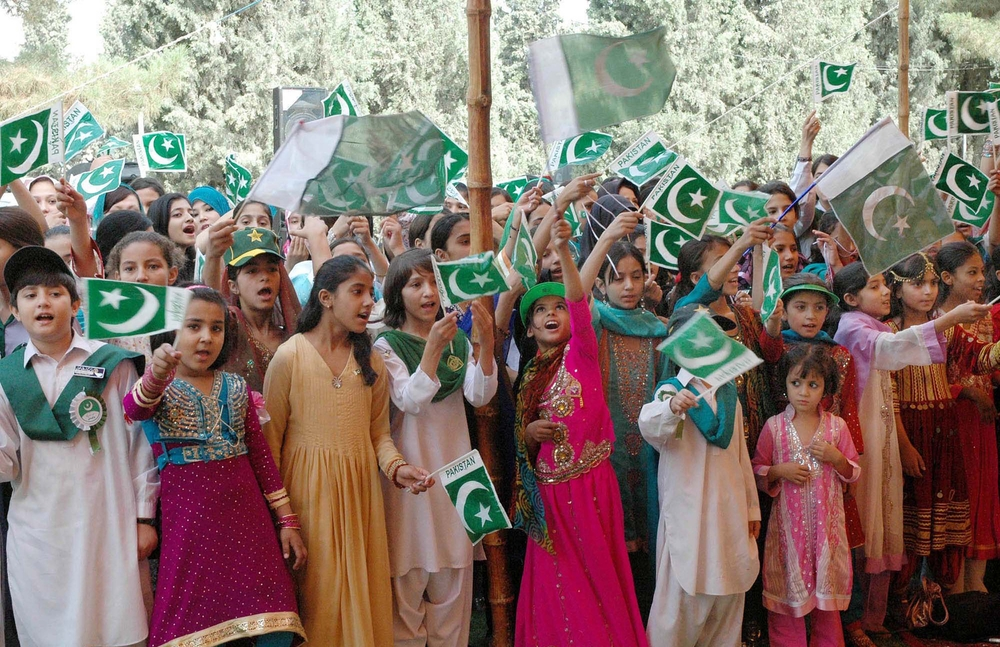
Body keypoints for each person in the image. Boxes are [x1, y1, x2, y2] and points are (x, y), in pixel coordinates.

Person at [123, 287, 306, 646]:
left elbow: (261, 458)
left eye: (217, 328)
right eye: (193, 326)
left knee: (265, 614)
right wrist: (158, 374)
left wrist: (287, 520)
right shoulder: (158, 387)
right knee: (193, 617)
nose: (206, 337)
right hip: (191, 525)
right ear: (169, 332)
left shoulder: (237, 386)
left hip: (249, 522)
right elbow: (135, 409)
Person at [264, 255, 432, 647]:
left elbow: (378, 435)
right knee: (320, 600)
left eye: (371, 292)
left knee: (364, 596)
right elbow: (270, 450)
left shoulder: (370, 358)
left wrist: (397, 469)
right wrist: (286, 519)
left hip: (361, 496)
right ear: (325, 297)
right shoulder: (290, 356)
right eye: (357, 292)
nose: (369, 302)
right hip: (308, 499)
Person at [0, 246, 158, 646]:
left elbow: (139, 444)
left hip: (109, 524)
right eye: (30, 294)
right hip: (40, 533)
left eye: (54, 293)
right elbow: (4, 464)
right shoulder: (6, 378)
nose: (43, 302)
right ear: (15, 312)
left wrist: (143, 517)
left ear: (75, 304)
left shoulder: (115, 365)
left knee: (119, 628)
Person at [831, 262, 988, 639]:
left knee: (884, 520)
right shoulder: (853, 326)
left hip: (881, 433)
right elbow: (892, 349)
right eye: (875, 286)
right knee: (866, 525)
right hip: (863, 437)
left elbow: (911, 354)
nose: (885, 291)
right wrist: (948, 319)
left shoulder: (878, 325)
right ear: (851, 299)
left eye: (886, 284)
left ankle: (875, 617)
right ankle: (854, 621)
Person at [511, 215, 647, 647]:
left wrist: (567, 251)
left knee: (596, 579)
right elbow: (520, 440)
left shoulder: (583, 351)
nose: (552, 314)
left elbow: (576, 295)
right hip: (548, 497)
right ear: (530, 328)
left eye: (557, 309)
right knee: (556, 584)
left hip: (591, 489)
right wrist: (530, 431)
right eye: (540, 311)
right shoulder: (530, 373)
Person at [375, 248, 498, 647]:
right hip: (408, 482)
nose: (428, 292)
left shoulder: (458, 343)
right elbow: (409, 402)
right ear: (397, 294)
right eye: (415, 284)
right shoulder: (385, 345)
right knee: (405, 592)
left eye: (433, 282)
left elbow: (479, 396)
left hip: (457, 478)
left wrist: (486, 345)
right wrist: (430, 351)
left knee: (453, 589)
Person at [638, 303, 761, 647]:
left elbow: (740, 456)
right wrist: (672, 407)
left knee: (728, 593)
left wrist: (752, 508)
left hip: (729, 512)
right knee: (679, 600)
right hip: (687, 515)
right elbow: (650, 425)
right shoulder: (670, 390)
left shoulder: (729, 394)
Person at [580, 219, 668, 618]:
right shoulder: (596, 323)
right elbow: (575, 296)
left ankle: (649, 619)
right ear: (602, 285)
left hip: (653, 451)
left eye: (636, 276)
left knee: (653, 535)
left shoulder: (659, 330)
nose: (629, 286)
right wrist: (608, 239)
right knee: (613, 537)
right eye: (618, 279)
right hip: (606, 450)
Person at [753, 344, 860, 646]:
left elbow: (853, 472)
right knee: (789, 595)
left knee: (826, 603)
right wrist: (778, 471)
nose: (803, 392)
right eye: (795, 383)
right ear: (784, 384)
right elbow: (757, 468)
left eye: (813, 384)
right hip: (789, 536)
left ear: (826, 387)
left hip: (826, 533)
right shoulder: (774, 428)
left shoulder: (837, 428)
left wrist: (836, 457)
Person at [938, 241, 1000, 593]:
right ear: (947, 277)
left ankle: (976, 589)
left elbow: (983, 362)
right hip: (952, 422)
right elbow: (936, 378)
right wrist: (971, 392)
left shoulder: (982, 317)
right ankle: (951, 589)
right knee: (958, 496)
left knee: (983, 495)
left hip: (982, 420)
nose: (981, 279)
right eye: (971, 272)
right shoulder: (936, 321)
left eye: (982, 272)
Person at [104, 231, 186, 363]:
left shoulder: (185, 318)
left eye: (153, 266)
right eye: (130, 269)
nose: (141, 276)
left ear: (171, 274)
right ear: (118, 277)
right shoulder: (109, 326)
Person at [148, 193, 197, 282]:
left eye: (192, 214)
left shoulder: (197, 265)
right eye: (178, 214)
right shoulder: (155, 271)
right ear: (161, 223)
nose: (190, 218)